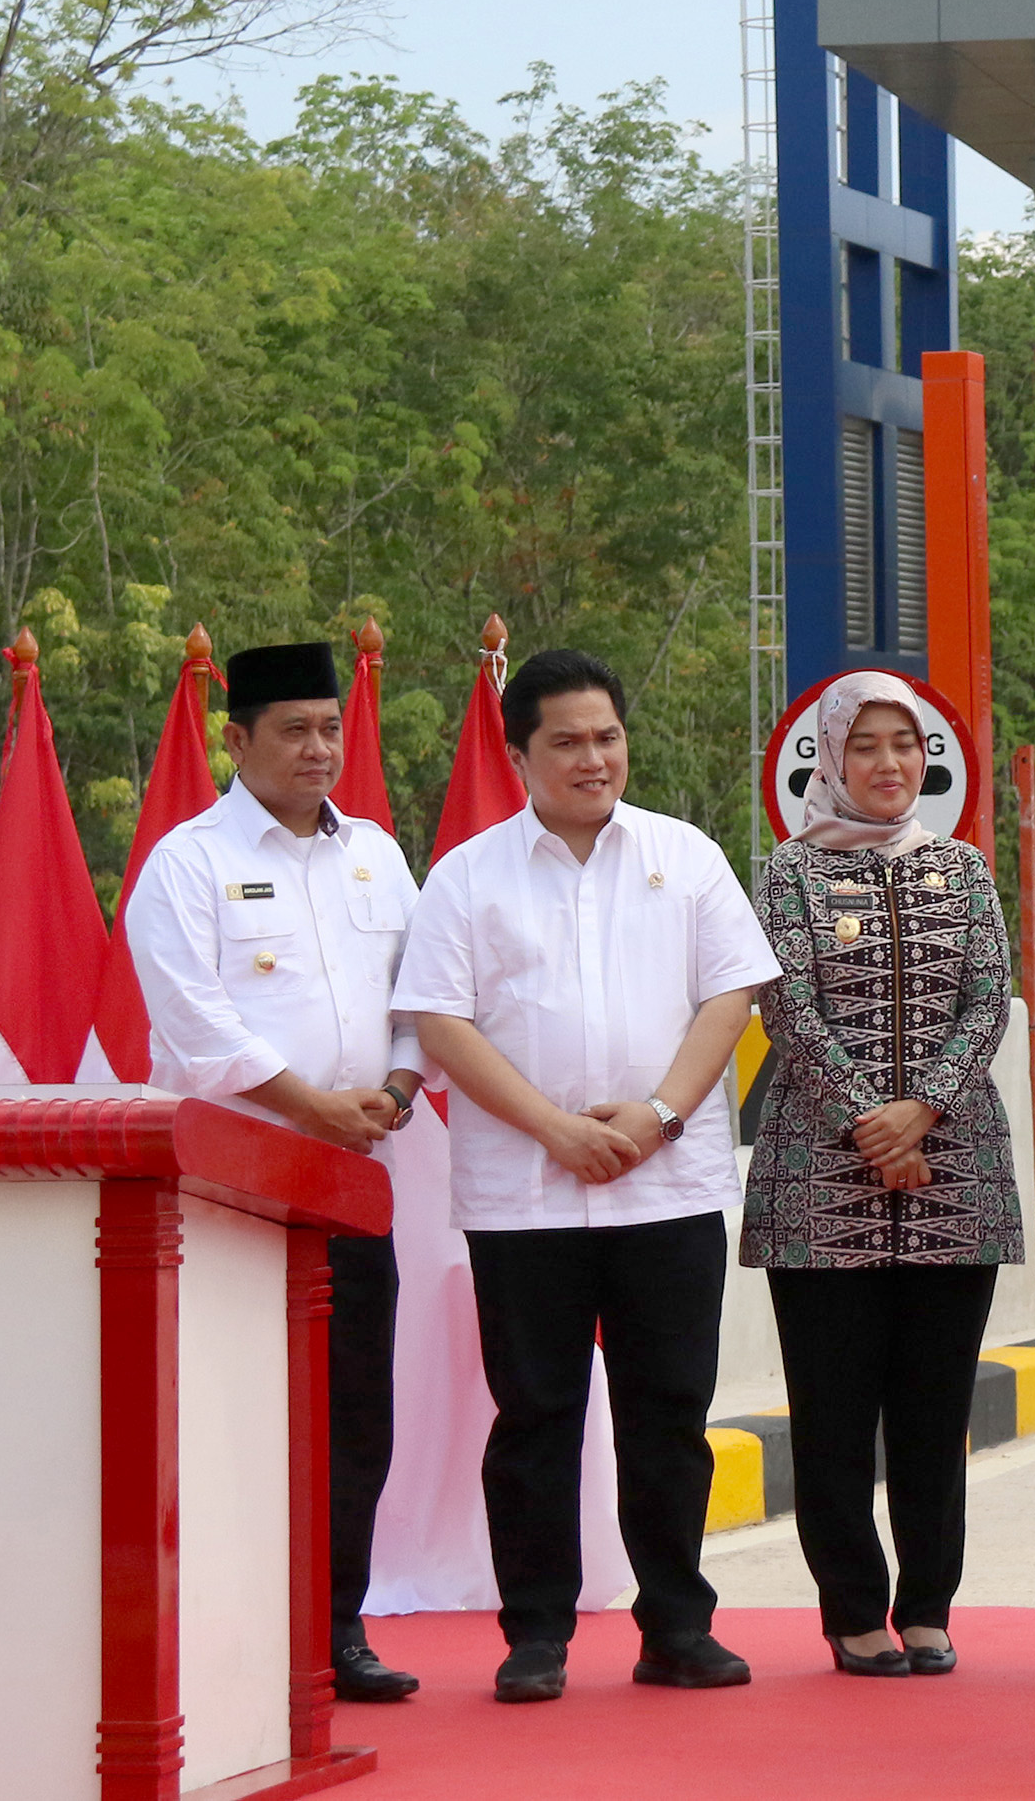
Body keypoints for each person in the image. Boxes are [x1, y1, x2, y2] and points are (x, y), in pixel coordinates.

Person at [396, 648, 778, 1705]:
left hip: (668, 1187)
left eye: (605, 735)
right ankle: (536, 1635)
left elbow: (729, 998)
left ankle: (678, 1625)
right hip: (524, 1195)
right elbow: (441, 1020)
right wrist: (554, 1128)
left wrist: (656, 1116)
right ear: (519, 752)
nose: (591, 756)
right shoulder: (468, 875)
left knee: (669, 1411)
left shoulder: (686, 855)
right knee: (534, 1414)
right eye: (565, 739)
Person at [129, 640, 429, 1705]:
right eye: (293, 728)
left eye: (330, 726)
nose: (317, 747)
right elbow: (192, 1025)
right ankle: (225, 1631)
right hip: (236, 1179)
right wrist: (311, 1104)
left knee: (354, 1410)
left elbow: (420, 991)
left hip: (357, 1174)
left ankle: (333, 1628)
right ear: (238, 737)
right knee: (230, 1408)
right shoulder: (187, 863)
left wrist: (394, 1088)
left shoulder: (378, 854)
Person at [740, 672, 1021, 1677]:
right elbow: (786, 1005)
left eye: (905, 744)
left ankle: (929, 1602)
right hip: (820, 1174)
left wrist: (923, 1109)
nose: (890, 763)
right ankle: (854, 1607)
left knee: (934, 1405)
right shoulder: (785, 873)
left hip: (955, 1174)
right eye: (866, 746)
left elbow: (990, 998)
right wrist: (869, 1118)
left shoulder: (963, 866)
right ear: (828, 760)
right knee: (832, 1405)